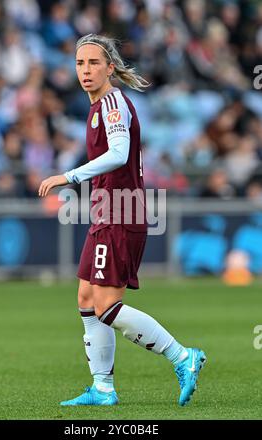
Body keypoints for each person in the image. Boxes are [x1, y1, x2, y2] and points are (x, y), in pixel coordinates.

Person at [38, 33, 206, 407]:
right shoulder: (99, 105)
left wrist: (71, 175)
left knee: (106, 307)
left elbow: (119, 153)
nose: (86, 70)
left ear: (110, 67)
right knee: (86, 296)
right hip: (108, 212)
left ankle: (183, 356)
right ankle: (102, 388)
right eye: (80, 63)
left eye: (94, 62)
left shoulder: (112, 104)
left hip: (121, 213)